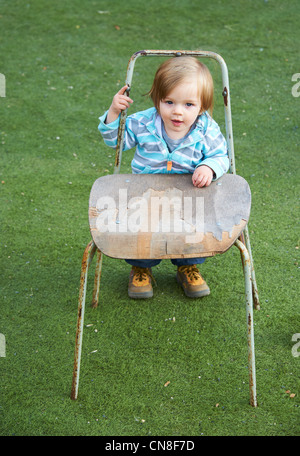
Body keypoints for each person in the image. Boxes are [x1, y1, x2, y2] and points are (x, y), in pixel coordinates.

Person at [98, 56, 229, 299]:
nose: (177, 111)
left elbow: (221, 155)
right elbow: (116, 141)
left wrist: (209, 167)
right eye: (169, 101)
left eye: (189, 104)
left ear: (202, 106)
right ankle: (141, 267)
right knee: (143, 230)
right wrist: (114, 112)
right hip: (146, 196)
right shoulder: (142, 123)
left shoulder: (206, 128)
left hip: (187, 197)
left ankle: (187, 266)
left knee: (192, 230)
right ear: (157, 99)